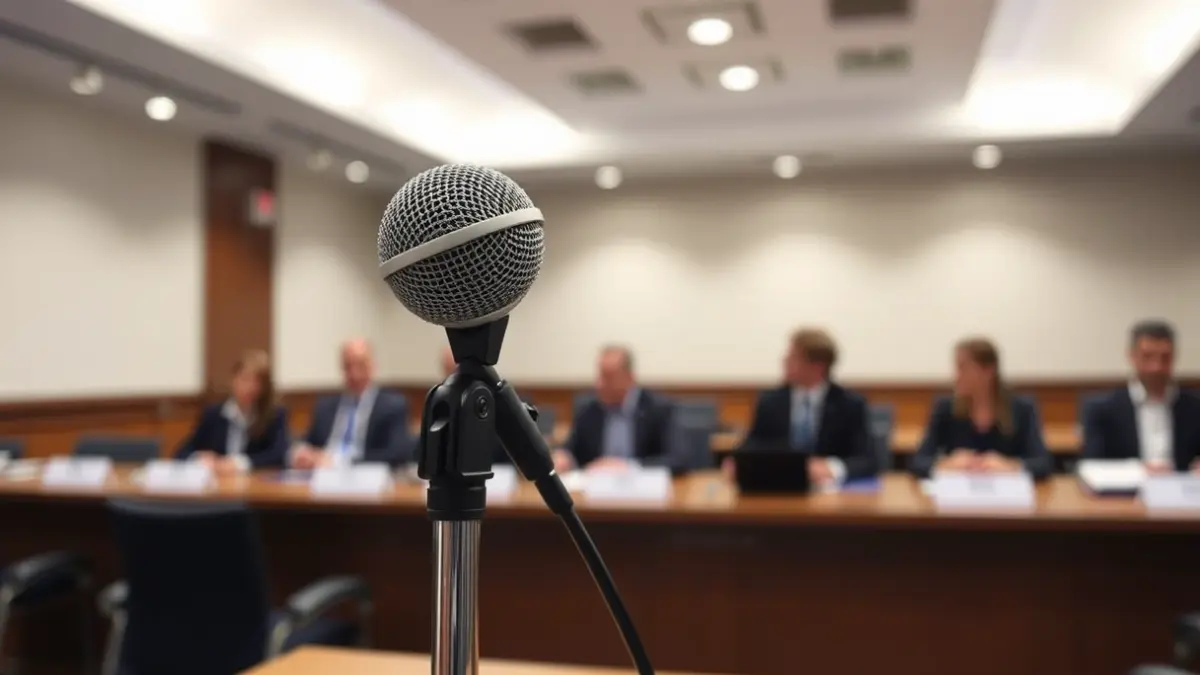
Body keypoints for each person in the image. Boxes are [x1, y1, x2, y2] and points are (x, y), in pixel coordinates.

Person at [729, 328, 878, 487]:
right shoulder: (770, 401)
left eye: (793, 357)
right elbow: (752, 445)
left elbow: (867, 460)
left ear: (817, 366)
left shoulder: (849, 403)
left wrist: (831, 468)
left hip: (831, 495)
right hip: (780, 489)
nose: (785, 361)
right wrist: (736, 462)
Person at [910, 337, 1051, 479]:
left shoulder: (1022, 408)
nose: (957, 376)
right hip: (958, 495)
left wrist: (1009, 465)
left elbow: (1043, 464)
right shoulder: (945, 408)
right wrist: (948, 463)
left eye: (963, 368)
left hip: (1006, 495)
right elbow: (918, 462)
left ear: (988, 371)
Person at [1082, 320, 1200, 472]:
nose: (1156, 367)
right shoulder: (1102, 409)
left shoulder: (1195, 407)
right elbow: (1092, 466)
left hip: (1184, 491)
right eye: (1147, 357)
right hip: (1125, 492)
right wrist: (1139, 470)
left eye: (1165, 357)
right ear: (1132, 356)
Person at [290, 338, 412, 468]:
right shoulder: (325, 406)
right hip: (323, 477)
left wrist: (341, 462)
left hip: (365, 477)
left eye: (360, 365)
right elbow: (309, 442)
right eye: (348, 366)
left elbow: (397, 454)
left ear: (373, 366)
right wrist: (301, 453)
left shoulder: (392, 406)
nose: (354, 374)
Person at [557, 345, 675, 472]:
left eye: (608, 377)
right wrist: (563, 457)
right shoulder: (589, 409)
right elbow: (570, 449)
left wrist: (629, 467)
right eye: (600, 376)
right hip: (595, 487)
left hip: (641, 487)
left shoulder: (658, 408)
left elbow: (677, 458)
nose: (600, 384)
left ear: (629, 377)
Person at [176, 350, 289, 473]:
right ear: (233, 379)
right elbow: (182, 452)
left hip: (255, 486)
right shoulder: (214, 414)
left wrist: (239, 464)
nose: (250, 387)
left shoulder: (274, 415)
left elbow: (279, 455)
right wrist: (198, 458)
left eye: (257, 382)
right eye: (245, 379)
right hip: (218, 486)